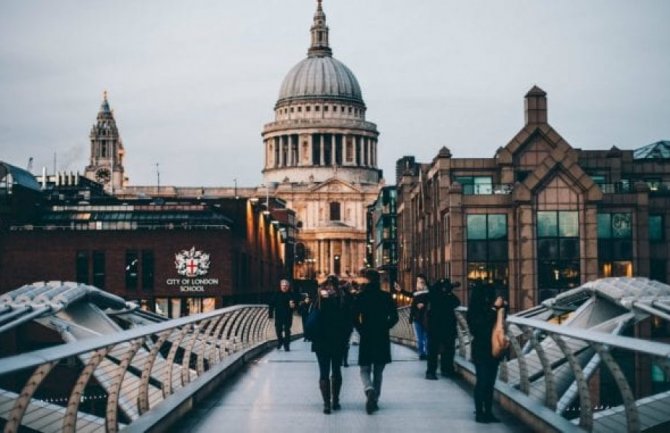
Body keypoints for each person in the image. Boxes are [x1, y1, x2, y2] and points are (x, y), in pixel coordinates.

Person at [354, 268, 399, 414]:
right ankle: (375, 399)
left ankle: (369, 389)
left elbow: (353, 317)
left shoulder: (360, 297)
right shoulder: (386, 296)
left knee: (364, 368)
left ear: (366, 280)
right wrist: (385, 326)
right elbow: (395, 317)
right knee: (378, 371)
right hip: (381, 336)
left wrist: (361, 329)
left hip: (366, 335)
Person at [306, 275, 352, 414]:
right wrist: (345, 338)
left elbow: (309, 318)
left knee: (323, 372)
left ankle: (326, 404)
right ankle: (335, 401)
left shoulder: (318, 300)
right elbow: (349, 322)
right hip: (338, 342)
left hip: (321, 342)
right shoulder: (343, 300)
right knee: (336, 370)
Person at [466, 284, 505, 423]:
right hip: (481, 350)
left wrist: (500, 308)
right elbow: (479, 326)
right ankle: (480, 413)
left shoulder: (489, 309)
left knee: (490, 383)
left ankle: (488, 412)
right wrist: (494, 308)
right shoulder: (473, 311)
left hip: (492, 350)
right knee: (482, 381)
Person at [424, 278, 461, 380]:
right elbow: (456, 302)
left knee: (437, 350)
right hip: (443, 326)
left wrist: (447, 292)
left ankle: (434, 371)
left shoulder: (435, 294)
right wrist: (448, 292)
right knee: (443, 350)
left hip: (437, 327)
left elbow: (457, 302)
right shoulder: (437, 295)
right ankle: (443, 370)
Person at [268, 279, 298, 351]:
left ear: (288, 286)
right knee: (278, 330)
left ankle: (286, 345)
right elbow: (271, 304)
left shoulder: (292, 294)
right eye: (283, 285)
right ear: (280, 286)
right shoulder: (276, 294)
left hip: (288, 315)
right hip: (279, 315)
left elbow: (296, 305)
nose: (284, 287)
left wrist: (294, 306)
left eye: (286, 286)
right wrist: (270, 315)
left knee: (287, 330)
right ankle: (280, 341)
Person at [408, 274, 430, 360]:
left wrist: (423, 304)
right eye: (418, 281)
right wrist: (411, 318)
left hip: (426, 319)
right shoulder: (416, 293)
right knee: (420, 338)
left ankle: (427, 353)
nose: (419, 283)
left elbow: (430, 302)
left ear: (424, 282)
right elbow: (413, 306)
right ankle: (422, 353)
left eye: (421, 281)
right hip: (417, 319)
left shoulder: (429, 292)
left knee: (426, 337)